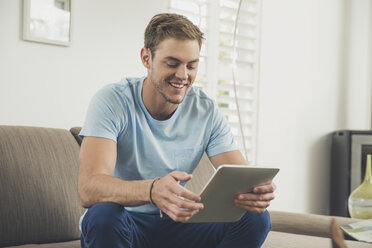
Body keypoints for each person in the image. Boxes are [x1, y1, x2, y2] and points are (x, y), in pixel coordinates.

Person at [78, 13, 276, 248]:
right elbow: (89, 188)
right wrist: (152, 190)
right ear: (146, 58)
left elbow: (240, 177)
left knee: (255, 217)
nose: (183, 75)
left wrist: (256, 191)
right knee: (103, 215)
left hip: (178, 224)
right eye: (172, 63)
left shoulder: (205, 111)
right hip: (125, 222)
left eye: (191, 65)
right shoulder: (112, 101)